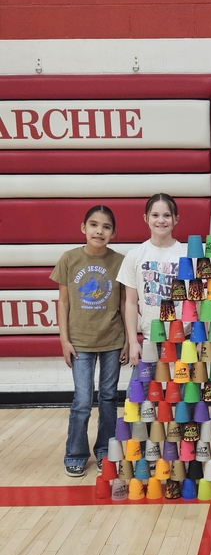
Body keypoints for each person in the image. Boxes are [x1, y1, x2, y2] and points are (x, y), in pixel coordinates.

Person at [51, 205, 128, 478]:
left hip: (112, 340)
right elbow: (63, 302)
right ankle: (75, 454)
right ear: (84, 228)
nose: (100, 231)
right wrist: (64, 340)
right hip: (80, 342)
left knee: (108, 398)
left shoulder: (120, 261)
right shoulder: (69, 258)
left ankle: (105, 451)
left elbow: (124, 302)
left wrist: (129, 341)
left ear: (114, 233)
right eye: (94, 225)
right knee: (82, 401)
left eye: (106, 227)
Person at [116, 193, 188, 365]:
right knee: (142, 390)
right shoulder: (134, 256)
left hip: (186, 338)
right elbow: (131, 303)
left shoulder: (188, 254)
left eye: (167, 215)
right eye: (155, 215)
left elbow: (200, 300)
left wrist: (202, 339)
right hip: (150, 339)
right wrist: (133, 342)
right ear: (146, 218)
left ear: (176, 219)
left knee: (187, 392)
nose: (161, 220)